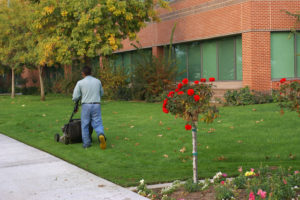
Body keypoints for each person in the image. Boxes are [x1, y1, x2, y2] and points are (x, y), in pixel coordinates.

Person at [72, 66, 106, 149]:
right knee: (97, 122)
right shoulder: (98, 81)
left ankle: (87, 143)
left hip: (86, 105)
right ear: (91, 72)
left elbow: (75, 96)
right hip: (96, 104)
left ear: (83, 74)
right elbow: (101, 93)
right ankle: (101, 134)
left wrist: (76, 100)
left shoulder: (80, 83)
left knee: (85, 124)